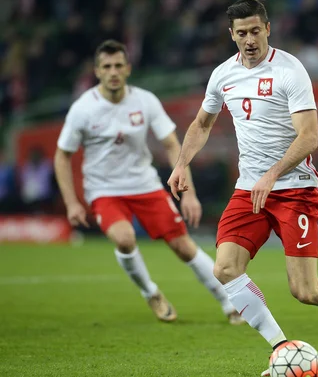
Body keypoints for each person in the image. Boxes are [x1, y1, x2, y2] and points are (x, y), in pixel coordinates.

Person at [167, 0, 318, 376]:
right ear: (231, 35)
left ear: (268, 29)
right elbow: (202, 124)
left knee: (305, 292)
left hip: (295, 189)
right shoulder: (223, 75)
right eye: (242, 33)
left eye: (256, 31)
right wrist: (181, 163)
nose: (250, 39)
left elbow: (309, 137)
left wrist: (273, 173)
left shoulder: (291, 70)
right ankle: (282, 348)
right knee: (224, 269)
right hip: (248, 190)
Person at [54, 40, 243, 325]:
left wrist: (188, 194)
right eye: (107, 67)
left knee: (183, 246)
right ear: (97, 71)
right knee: (125, 239)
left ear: (128, 68)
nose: (113, 72)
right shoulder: (83, 109)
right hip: (105, 191)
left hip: (145, 185)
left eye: (119, 65)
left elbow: (171, 145)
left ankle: (230, 304)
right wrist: (71, 202)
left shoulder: (145, 101)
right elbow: (61, 156)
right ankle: (150, 292)